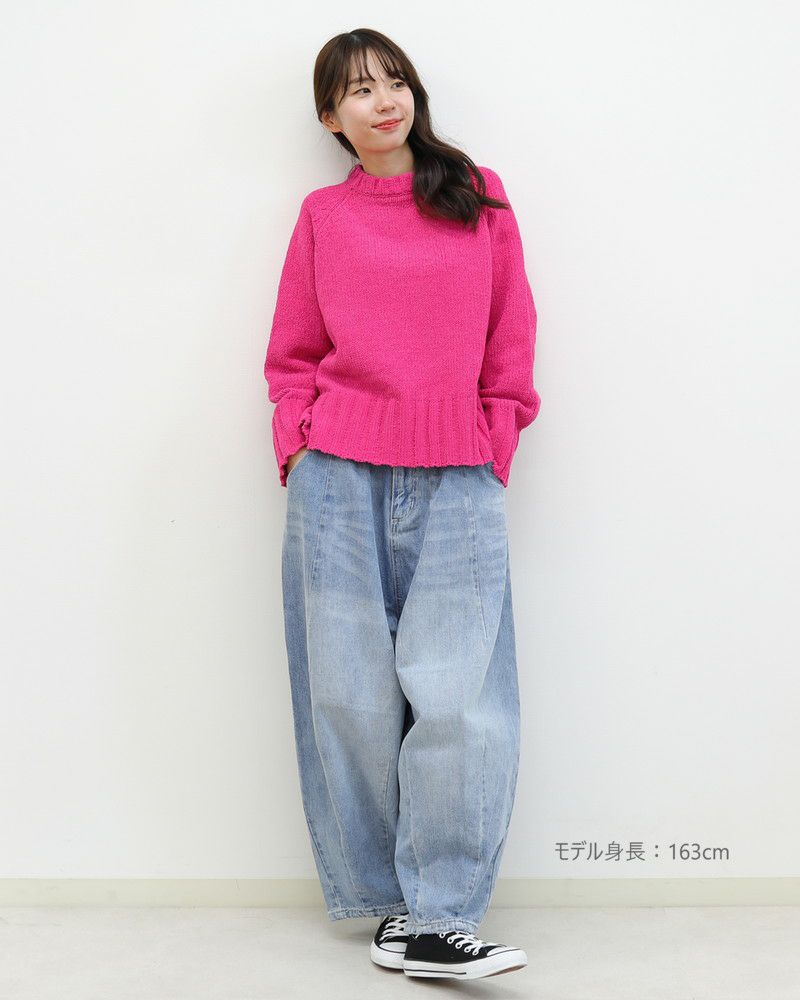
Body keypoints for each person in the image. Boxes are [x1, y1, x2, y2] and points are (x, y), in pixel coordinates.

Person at [263, 28, 541, 981]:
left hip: (459, 470)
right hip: (338, 475)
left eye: (394, 82)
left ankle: (442, 915)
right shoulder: (323, 216)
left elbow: (511, 332)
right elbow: (293, 350)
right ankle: (389, 911)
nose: (383, 101)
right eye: (358, 90)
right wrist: (299, 441)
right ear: (330, 119)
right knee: (347, 695)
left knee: (459, 697)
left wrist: (497, 435)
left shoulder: (477, 195)